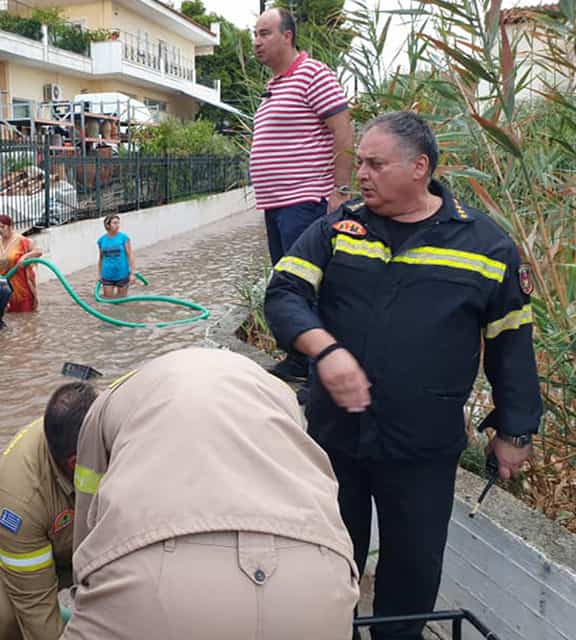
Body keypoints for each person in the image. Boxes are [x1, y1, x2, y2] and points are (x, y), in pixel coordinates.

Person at [264, 111, 542, 639]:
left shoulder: (485, 246)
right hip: (334, 439)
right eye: (360, 163)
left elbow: (512, 343)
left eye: (375, 164)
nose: (361, 174)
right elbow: (284, 293)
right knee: (325, 562)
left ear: (420, 168)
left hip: (422, 448)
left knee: (413, 572)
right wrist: (325, 350)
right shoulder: (339, 228)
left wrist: (515, 430)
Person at [64, 348, 359, 640]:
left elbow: (88, 519)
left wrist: (87, 592)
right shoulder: (278, 393)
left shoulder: (108, 403)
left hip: (154, 586)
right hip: (319, 580)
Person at [250, 7, 354, 383]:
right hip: (278, 206)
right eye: (255, 34)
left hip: (305, 201)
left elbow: (343, 130)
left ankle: (319, 371)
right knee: (288, 285)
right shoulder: (275, 86)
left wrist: (340, 191)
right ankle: (298, 358)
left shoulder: (313, 74)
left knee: (310, 286)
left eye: (264, 33)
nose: (256, 42)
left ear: (287, 36)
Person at [0, 383, 98, 639]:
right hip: (44, 550)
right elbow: (37, 610)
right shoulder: (19, 499)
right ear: (76, 463)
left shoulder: (116, 428)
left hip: (94, 538)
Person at [96, 215, 135, 299]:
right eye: (115, 223)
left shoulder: (124, 238)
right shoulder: (101, 240)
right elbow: (101, 258)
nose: (117, 225)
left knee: (121, 301)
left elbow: (130, 255)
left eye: (118, 223)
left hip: (122, 274)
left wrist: (132, 273)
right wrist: (99, 274)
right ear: (107, 225)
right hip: (107, 275)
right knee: (108, 301)